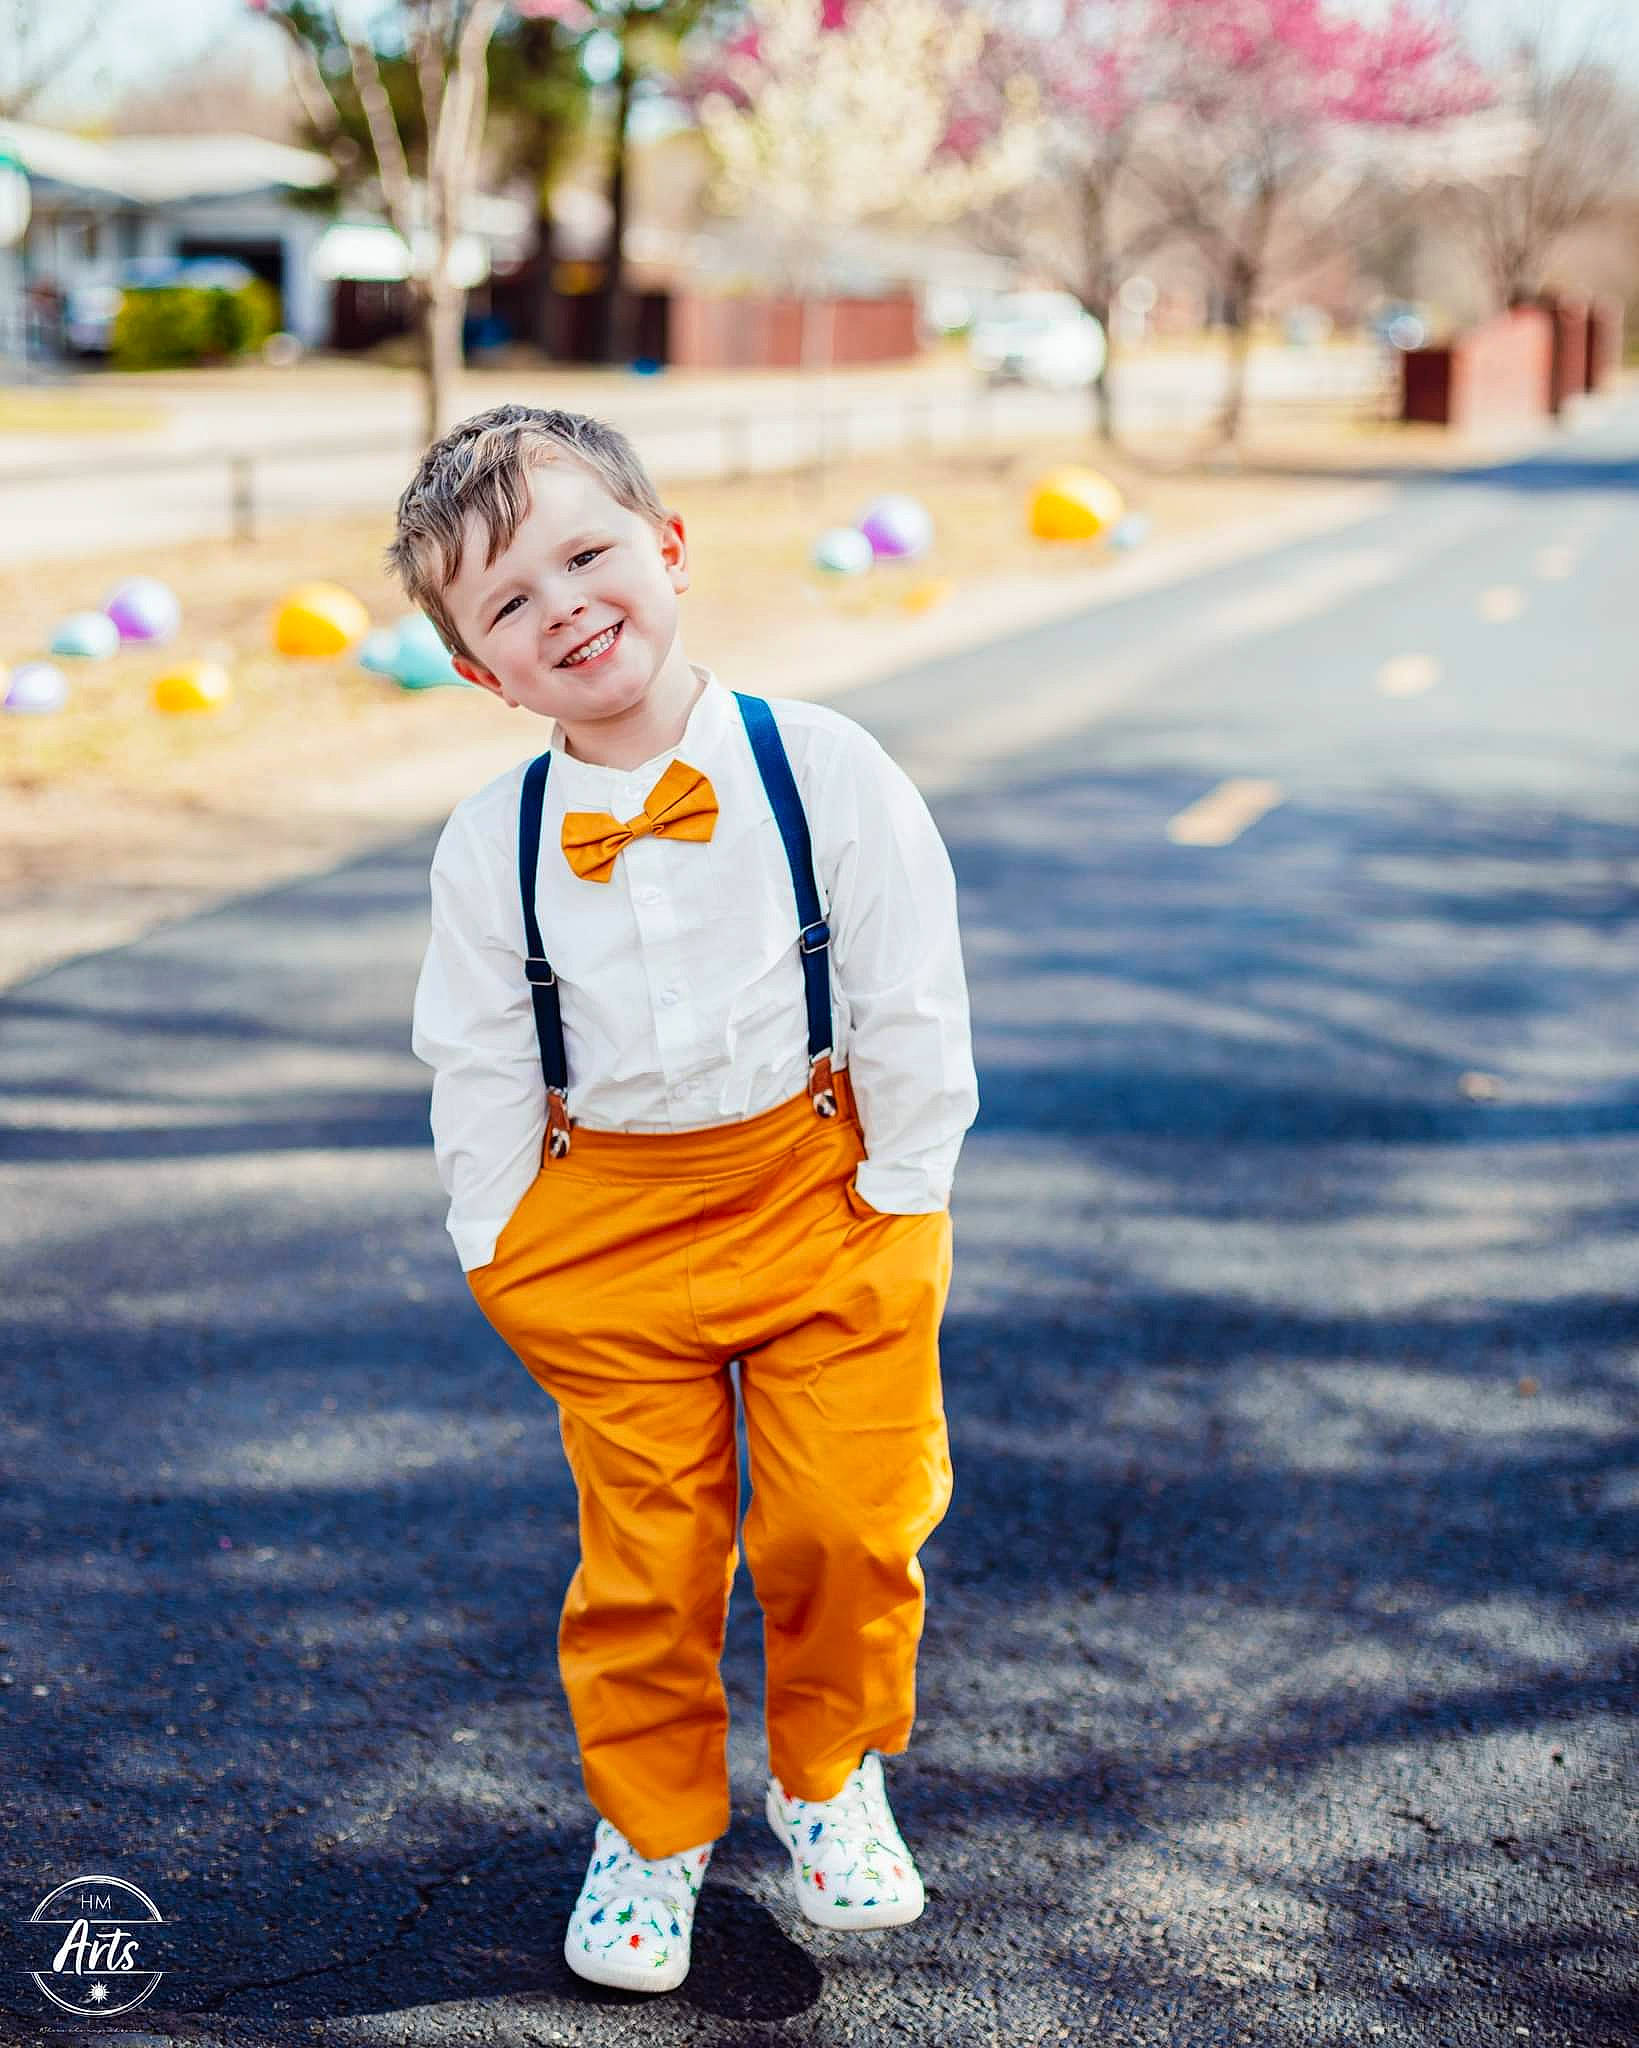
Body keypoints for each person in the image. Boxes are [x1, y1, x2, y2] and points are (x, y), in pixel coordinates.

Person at [396, 403, 978, 1995]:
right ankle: (649, 1826)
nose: (562, 606)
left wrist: (905, 1193)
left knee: (849, 1524)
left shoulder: (823, 766)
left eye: (584, 555)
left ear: (665, 549)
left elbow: (908, 992)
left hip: (820, 1192)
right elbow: (479, 1056)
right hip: (605, 1229)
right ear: (477, 671)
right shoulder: (490, 841)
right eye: (506, 603)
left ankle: (828, 1774)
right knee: (647, 1563)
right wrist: (500, 1246)